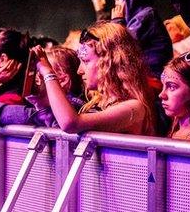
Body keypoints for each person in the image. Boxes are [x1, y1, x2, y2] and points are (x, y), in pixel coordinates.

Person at [28, 21, 156, 134]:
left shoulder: (134, 108)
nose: (79, 71)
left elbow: (70, 124)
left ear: (110, 62)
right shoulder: (96, 102)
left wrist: (48, 73)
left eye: (86, 61)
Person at [0, 46, 85, 127]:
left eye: (41, 69)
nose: (34, 75)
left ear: (63, 80)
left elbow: (32, 116)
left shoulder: (74, 107)